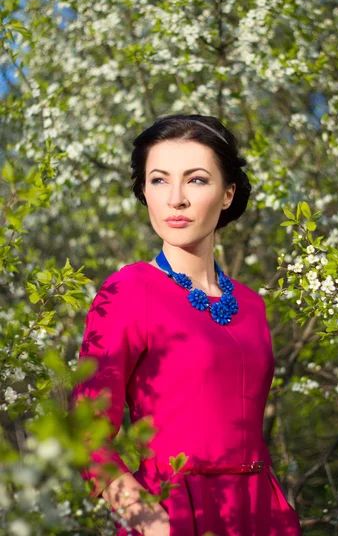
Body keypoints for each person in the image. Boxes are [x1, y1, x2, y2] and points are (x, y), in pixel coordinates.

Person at [70, 114, 302, 535]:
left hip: (261, 511)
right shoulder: (129, 289)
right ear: (143, 190)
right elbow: (85, 430)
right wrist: (144, 515)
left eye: (196, 180)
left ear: (228, 193)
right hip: (175, 511)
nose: (175, 198)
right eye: (158, 180)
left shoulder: (251, 305)